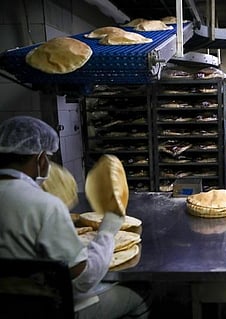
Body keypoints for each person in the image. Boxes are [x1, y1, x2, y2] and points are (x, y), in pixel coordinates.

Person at [0, 116, 151, 318]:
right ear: (41, 159)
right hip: (47, 309)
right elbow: (84, 279)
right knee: (142, 294)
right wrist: (106, 232)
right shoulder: (44, 205)